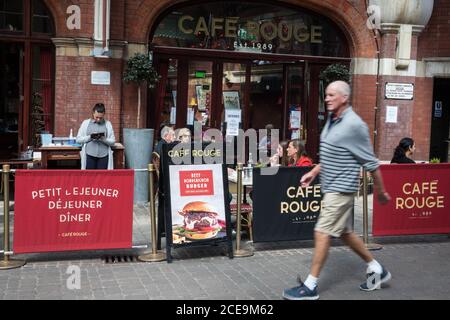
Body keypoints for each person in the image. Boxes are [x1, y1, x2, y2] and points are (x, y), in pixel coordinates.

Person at [282, 81, 391, 300]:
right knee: (345, 233)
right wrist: (314, 171)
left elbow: (371, 163)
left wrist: (380, 192)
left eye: (332, 95)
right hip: (331, 186)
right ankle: (377, 269)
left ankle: (310, 287)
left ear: (344, 98)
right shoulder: (333, 119)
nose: (327, 98)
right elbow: (334, 151)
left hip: (341, 189)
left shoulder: (354, 125)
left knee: (322, 231)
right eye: (327, 95)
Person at [76, 103, 115, 169]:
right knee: (89, 177)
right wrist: (90, 137)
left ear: (104, 114)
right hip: (89, 155)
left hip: (104, 156)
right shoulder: (85, 123)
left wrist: (103, 139)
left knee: (102, 178)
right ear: (93, 113)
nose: (98, 119)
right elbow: (78, 140)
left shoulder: (108, 124)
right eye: (96, 117)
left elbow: (112, 142)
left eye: (101, 118)